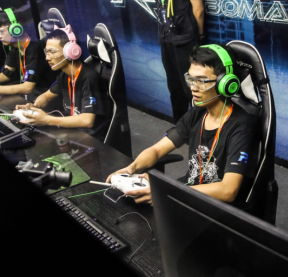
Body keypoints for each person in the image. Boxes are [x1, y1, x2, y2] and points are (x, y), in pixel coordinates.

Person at [107, 44, 256, 205]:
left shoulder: (242, 126)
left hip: (214, 207)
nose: (193, 87)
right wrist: (132, 169)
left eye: (201, 81)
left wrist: (166, 191)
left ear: (225, 83)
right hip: (186, 192)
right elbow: (157, 150)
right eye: (191, 79)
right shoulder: (198, 113)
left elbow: (228, 190)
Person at [13, 25, 113, 140]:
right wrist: (33, 107)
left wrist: (47, 120)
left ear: (70, 52)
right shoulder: (65, 75)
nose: (47, 58)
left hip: (88, 138)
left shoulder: (89, 78)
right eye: (46, 52)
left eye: (52, 52)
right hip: (72, 130)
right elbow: (46, 96)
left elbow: (87, 120)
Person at [0, 8, 53, 100]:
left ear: (16, 29)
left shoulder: (35, 49)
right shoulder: (15, 47)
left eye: (1, 31)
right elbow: (6, 74)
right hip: (28, 95)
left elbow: (28, 88)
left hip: (41, 97)